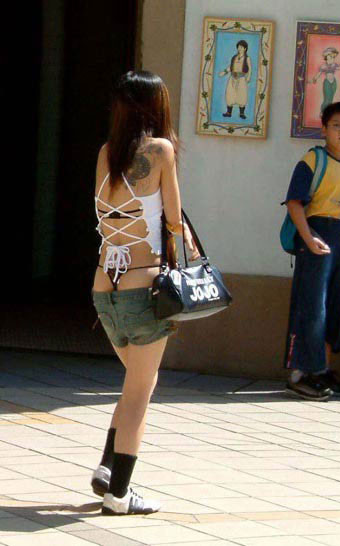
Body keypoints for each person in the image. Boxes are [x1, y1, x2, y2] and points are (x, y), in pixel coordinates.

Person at [91, 71, 199, 515]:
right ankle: (119, 494)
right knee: (140, 390)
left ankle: (106, 468)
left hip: (104, 288)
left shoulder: (106, 153)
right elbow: (173, 218)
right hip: (143, 288)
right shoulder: (161, 151)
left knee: (136, 381)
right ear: (156, 106)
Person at [283, 101, 340, 401]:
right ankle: (300, 374)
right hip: (319, 237)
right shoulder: (312, 160)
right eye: (337, 126)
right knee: (312, 306)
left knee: (337, 308)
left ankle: (322, 369)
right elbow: (294, 203)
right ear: (324, 130)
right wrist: (308, 238)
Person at [307, 47, 340, 115]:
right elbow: (318, 74)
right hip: (327, 83)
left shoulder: (334, 65)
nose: (332, 59)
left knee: (331, 98)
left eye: (333, 57)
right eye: (330, 57)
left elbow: (339, 68)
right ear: (326, 58)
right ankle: (323, 111)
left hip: (334, 83)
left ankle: (328, 112)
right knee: (327, 98)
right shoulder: (323, 66)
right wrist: (313, 80)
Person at [219, 40, 252, 119]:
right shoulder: (234, 57)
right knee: (230, 93)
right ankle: (228, 112)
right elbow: (230, 67)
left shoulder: (247, 58)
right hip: (232, 78)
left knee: (242, 94)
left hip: (241, 79)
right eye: (238, 47)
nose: (239, 48)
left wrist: (248, 77)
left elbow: (250, 69)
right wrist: (224, 72)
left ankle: (241, 113)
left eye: (241, 47)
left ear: (245, 48)